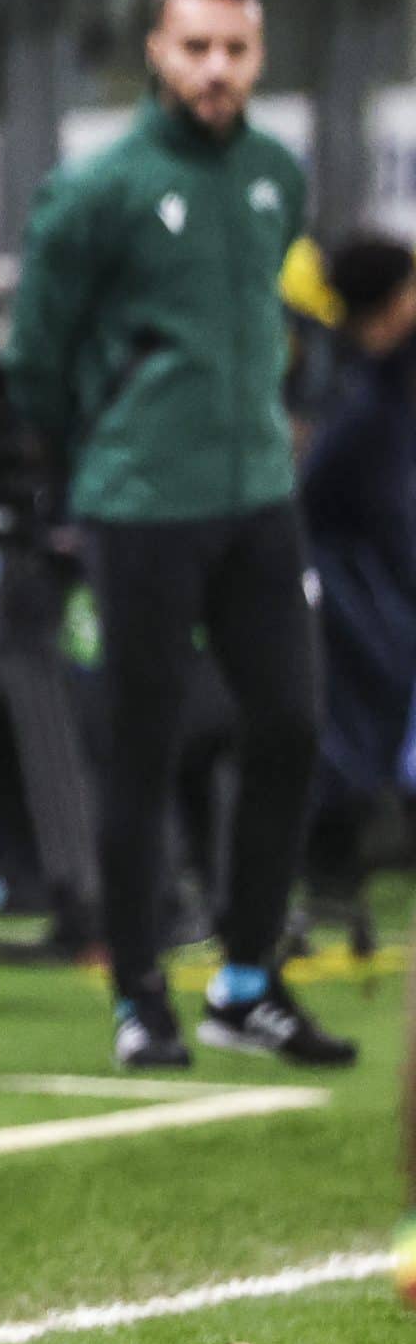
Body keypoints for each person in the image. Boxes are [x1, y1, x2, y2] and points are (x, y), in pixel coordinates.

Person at [8, 0, 351, 1070]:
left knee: (291, 729)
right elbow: (37, 364)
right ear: (156, 51)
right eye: (194, 47)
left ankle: (246, 984)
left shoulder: (273, 176)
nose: (214, 69)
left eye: (234, 50)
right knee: (143, 752)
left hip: (257, 495)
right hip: (140, 502)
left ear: (259, 56)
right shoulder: (95, 191)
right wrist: (97, 458)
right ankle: (140, 996)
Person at [296, 237, 416, 914]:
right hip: (352, 580)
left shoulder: (377, 380)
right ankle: (329, 871)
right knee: (351, 723)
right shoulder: (359, 398)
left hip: (381, 570)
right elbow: (313, 493)